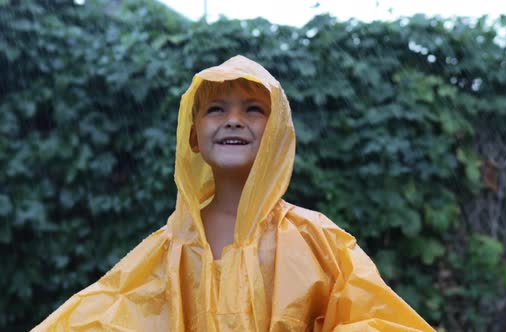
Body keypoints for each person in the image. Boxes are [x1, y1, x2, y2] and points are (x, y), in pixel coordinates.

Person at [33, 55, 434, 331]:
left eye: (253, 110)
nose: (234, 121)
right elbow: (102, 316)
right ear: (193, 136)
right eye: (216, 109)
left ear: (275, 133)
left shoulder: (317, 240)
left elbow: (379, 317)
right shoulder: (164, 251)